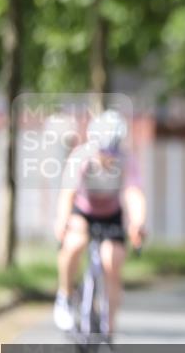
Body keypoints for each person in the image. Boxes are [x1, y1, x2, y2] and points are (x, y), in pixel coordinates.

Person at [54, 109, 146, 337]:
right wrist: (62, 222)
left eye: (111, 152)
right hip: (84, 211)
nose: (108, 158)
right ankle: (64, 296)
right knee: (74, 244)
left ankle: (108, 329)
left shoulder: (126, 160)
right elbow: (67, 194)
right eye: (104, 152)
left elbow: (134, 193)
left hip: (111, 213)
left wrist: (138, 223)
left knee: (112, 262)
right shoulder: (81, 157)